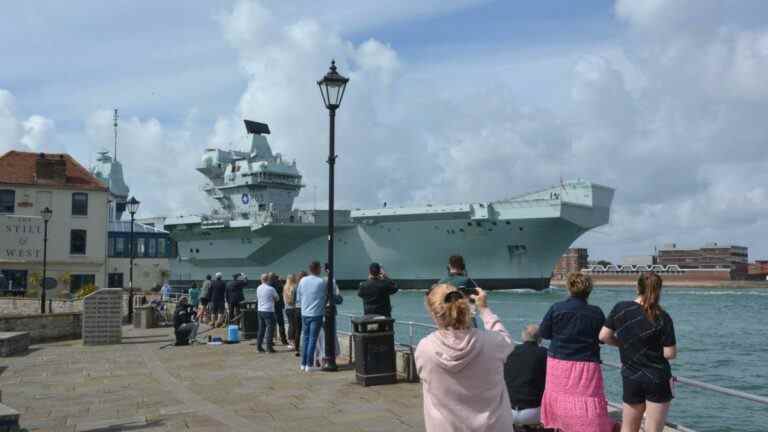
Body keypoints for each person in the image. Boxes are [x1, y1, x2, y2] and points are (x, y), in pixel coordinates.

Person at [415, 284, 515, 431]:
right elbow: (506, 341)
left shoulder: (425, 349)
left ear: (433, 312)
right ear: (466, 306)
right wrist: (484, 309)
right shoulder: (493, 343)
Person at [600, 272, 677, 432]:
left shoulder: (621, 308)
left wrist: (624, 345)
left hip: (631, 376)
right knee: (653, 429)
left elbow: (603, 336)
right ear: (659, 290)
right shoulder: (663, 317)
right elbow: (670, 353)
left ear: (637, 287)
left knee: (628, 428)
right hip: (657, 378)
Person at [539, 273, 614, 432]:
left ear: (569, 288)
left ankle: (562, 426)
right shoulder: (596, 312)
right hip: (587, 363)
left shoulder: (556, 308)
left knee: (559, 398)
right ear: (589, 290)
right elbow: (602, 338)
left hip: (558, 362)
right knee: (587, 399)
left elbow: (544, 333)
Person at [504, 324, 548, 427]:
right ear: (540, 339)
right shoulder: (545, 354)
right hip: (533, 412)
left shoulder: (509, 352)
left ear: (523, 336)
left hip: (508, 411)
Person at [296, 261, 326, 372]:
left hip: (304, 313)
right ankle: (309, 365)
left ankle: (303, 364)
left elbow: (298, 297)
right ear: (317, 269)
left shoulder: (302, 280)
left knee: (306, 339)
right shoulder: (321, 281)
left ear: (309, 269)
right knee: (313, 339)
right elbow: (326, 295)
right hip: (316, 314)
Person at [256, 273, 279, 353]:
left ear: (261, 280)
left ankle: (259, 347)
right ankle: (269, 348)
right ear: (268, 279)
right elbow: (277, 298)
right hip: (269, 311)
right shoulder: (271, 289)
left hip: (260, 310)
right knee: (270, 329)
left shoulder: (258, 288)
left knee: (261, 329)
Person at [283, 274, 301, 355]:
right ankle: (294, 343)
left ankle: (290, 342)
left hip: (287, 308)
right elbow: (294, 299)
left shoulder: (285, 287)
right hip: (293, 308)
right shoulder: (295, 287)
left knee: (290, 325)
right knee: (295, 326)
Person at [269, 273, 289, 345]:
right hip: (278, 306)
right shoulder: (279, 284)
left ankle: (270, 340)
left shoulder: (268, 285)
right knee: (281, 324)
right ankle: (283, 340)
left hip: (270, 307)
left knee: (271, 324)